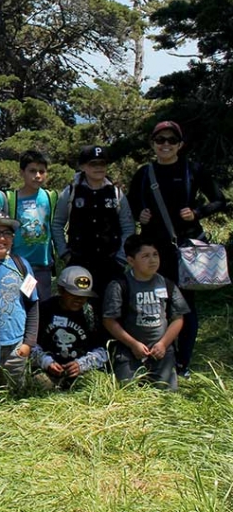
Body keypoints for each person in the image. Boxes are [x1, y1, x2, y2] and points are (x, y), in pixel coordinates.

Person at [126, 120, 227, 378]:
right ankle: (155, 358)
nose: (166, 145)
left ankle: (182, 363)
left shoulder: (193, 170)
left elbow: (219, 200)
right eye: (161, 140)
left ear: (180, 144)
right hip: (152, 252)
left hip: (185, 251)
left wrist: (197, 213)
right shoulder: (144, 173)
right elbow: (129, 204)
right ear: (153, 144)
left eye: (172, 140)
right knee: (153, 305)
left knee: (184, 307)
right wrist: (141, 214)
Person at [51, 145, 133, 312]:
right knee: (79, 308)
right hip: (79, 261)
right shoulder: (71, 192)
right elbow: (57, 224)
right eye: (93, 163)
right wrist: (64, 254)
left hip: (111, 263)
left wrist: (121, 258)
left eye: (102, 163)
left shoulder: (116, 193)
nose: (98, 168)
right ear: (82, 166)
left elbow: (128, 226)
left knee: (112, 307)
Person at [103, 235, 189, 391]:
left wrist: (163, 344)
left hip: (161, 351)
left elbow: (178, 318)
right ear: (130, 261)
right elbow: (109, 320)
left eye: (155, 254)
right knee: (126, 391)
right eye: (145, 256)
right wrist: (133, 344)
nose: (153, 260)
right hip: (129, 350)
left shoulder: (167, 284)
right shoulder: (119, 285)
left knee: (168, 392)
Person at [0, 211, 38, 389]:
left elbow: (32, 304)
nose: (1, 238)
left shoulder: (22, 265)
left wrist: (28, 343)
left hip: (15, 347)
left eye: (7, 233)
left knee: (14, 395)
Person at [31, 266, 109, 389]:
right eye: (74, 294)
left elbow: (103, 350)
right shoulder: (45, 310)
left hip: (82, 372)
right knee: (39, 383)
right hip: (48, 370)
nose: (79, 299)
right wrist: (46, 362)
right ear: (61, 290)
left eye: (84, 295)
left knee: (95, 384)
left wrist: (82, 365)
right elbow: (30, 344)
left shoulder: (90, 313)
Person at [6, 150, 58, 300]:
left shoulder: (50, 196)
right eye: (32, 171)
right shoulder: (12, 198)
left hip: (43, 266)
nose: (37, 176)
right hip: (20, 265)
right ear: (22, 172)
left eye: (42, 171)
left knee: (42, 306)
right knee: (26, 305)